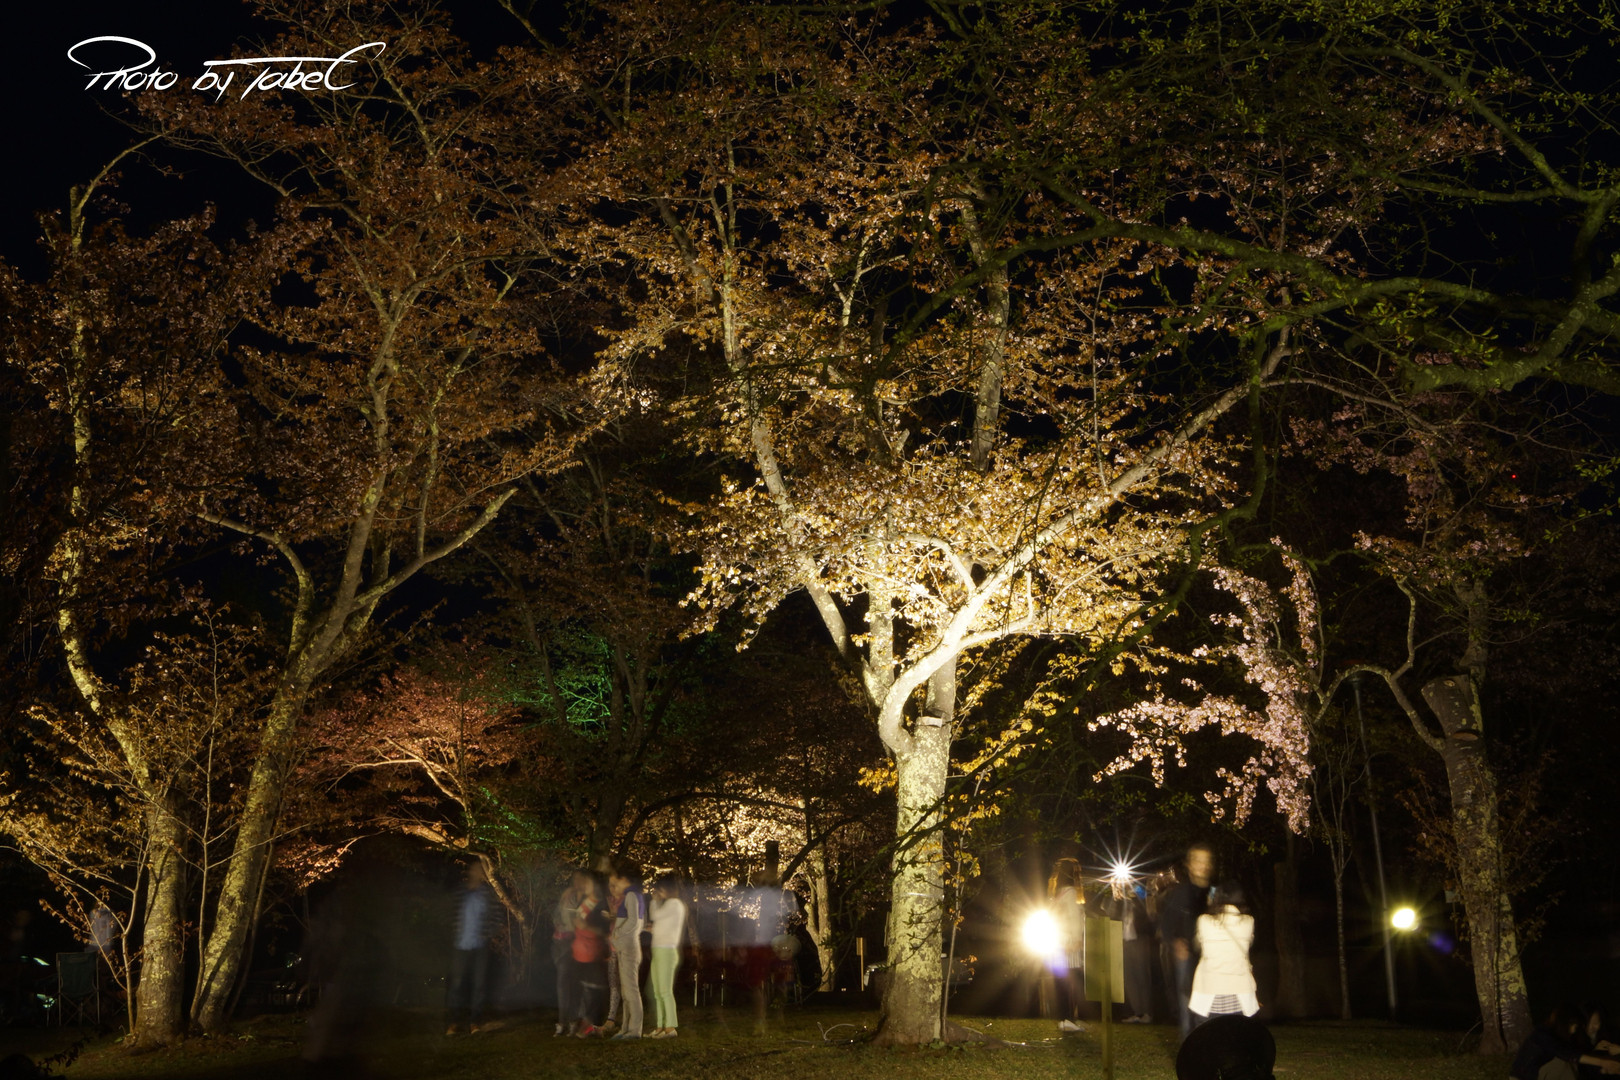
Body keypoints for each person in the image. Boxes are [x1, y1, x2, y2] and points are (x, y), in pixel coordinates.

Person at [1160, 842, 1216, 1038]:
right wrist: (1175, 943)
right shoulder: (1180, 893)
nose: (1202, 865)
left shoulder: (1216, 892)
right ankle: (1187, 1044)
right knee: (1187, 1002)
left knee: (1210, 1004)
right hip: (1187, 958)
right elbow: (1166, 923)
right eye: (1198, 861)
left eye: (1206, 861)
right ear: (1189, 865)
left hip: (1211, 958)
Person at [1189, 881, 1258, 1023]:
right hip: (1240, 996)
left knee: (1207, 1035)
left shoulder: (1204, 921)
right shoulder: (1248, 922)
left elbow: (1197, 946)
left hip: (1209, 994)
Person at [446, 862, 499, 1036]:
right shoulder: (461, 892)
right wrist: (453, 931)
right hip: (460, 944)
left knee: (479, 985)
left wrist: (487, 934)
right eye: (475, 869)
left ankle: (474, 1022)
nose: (477, 872)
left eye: (480, 870)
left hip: (479, 945)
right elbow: (452, 913)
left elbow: (496, 916)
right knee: (457, 984)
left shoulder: (487, 894)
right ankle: (454, 1022)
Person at [1514, 1004, 1620, 1079]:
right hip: (1523, 1077)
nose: (1574, 1030)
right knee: (1562, 1064)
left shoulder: (1563, 1038)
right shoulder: (1542, 1034)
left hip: (1537, 1074)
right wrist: (1602, 1062)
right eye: (1574, 1025)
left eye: (1596, 1022)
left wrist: (1605, 1065)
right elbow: (1568, 1054)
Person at [607, 864, 646, 1039]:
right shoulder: (635, 895)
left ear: (625, 879)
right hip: (627, 946)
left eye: (617, 879)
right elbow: (639, 922)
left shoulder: (631, 895)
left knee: (631, 991)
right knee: (626, 991)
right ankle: (625, 1028)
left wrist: (617, 932)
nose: (615, 883)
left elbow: (634, 922)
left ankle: (634, 1030)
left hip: (628, 947)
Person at [645, 878, 688, 1038]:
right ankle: (660, 1026)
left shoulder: (674, 904)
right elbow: (662, 925)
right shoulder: (670, 905)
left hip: (666, 951)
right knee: (657, 991)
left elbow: (655, 915)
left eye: (661, 889)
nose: (658, 892)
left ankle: (670, 1028)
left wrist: (654, 902)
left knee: (664, 990)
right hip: (659, 949)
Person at [1048, 858, 1087, 1032]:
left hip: (1057, 941)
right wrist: (1078, 939)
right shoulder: (1070, 893)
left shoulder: (1057, 895)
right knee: (1072, 980)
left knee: (1061, 980)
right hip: (1068, 942)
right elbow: (1075, 917)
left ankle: (1065, 1018)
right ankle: (1069, 1017)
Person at [572, 873, 612, 1037]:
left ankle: (592, 1024)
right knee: (585, 987)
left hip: (594, 952)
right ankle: (585, 1022)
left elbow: (604, 930)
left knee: (595, 988)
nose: (584, 884)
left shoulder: (602, 905)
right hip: (580, 951)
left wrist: (586, 926)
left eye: (587, 881)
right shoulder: (584, 900)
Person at [552, 872, 584, 1036]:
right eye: (575, 880)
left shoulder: (585, 899)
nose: (577, 883)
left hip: (576, 943)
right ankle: (563, 1021)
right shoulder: (568, 896)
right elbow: (557, 915)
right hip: (562, 943)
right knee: (563, 982)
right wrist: (560, 923)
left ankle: (572, 1020)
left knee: (574, 982)